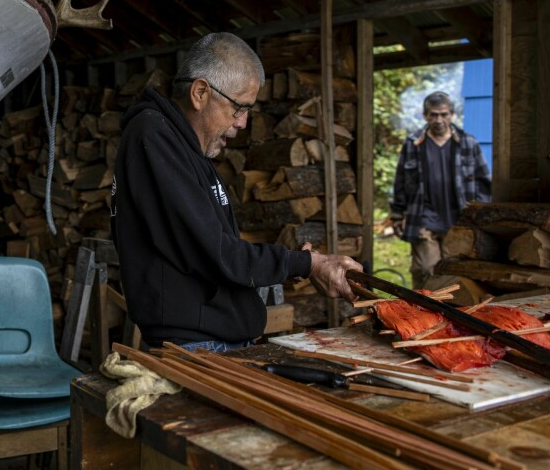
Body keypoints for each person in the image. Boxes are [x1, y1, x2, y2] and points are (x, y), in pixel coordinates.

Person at [109, 32, 362, 352]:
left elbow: (216, 249)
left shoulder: (183, 147)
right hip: (195, 346)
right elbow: (216, 254)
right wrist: (305, 263)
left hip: (211, 340)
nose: (242, 123)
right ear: (200, 92)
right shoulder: (154, 138)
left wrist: (299, 261)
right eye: (239, 108)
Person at [390, 91, 491, 289]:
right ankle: (421, 314)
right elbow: (400, 182)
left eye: (443, 114)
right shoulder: (413, 144)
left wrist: (481, 217)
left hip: (459, 220)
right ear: (425, 115)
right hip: (423, 217)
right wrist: (396, 214)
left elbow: (484, 183)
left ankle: (454, 314)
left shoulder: (468, 143)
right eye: (433, 114)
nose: (439, 120)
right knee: (426, 271)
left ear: (452, 114)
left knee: (456, 274)